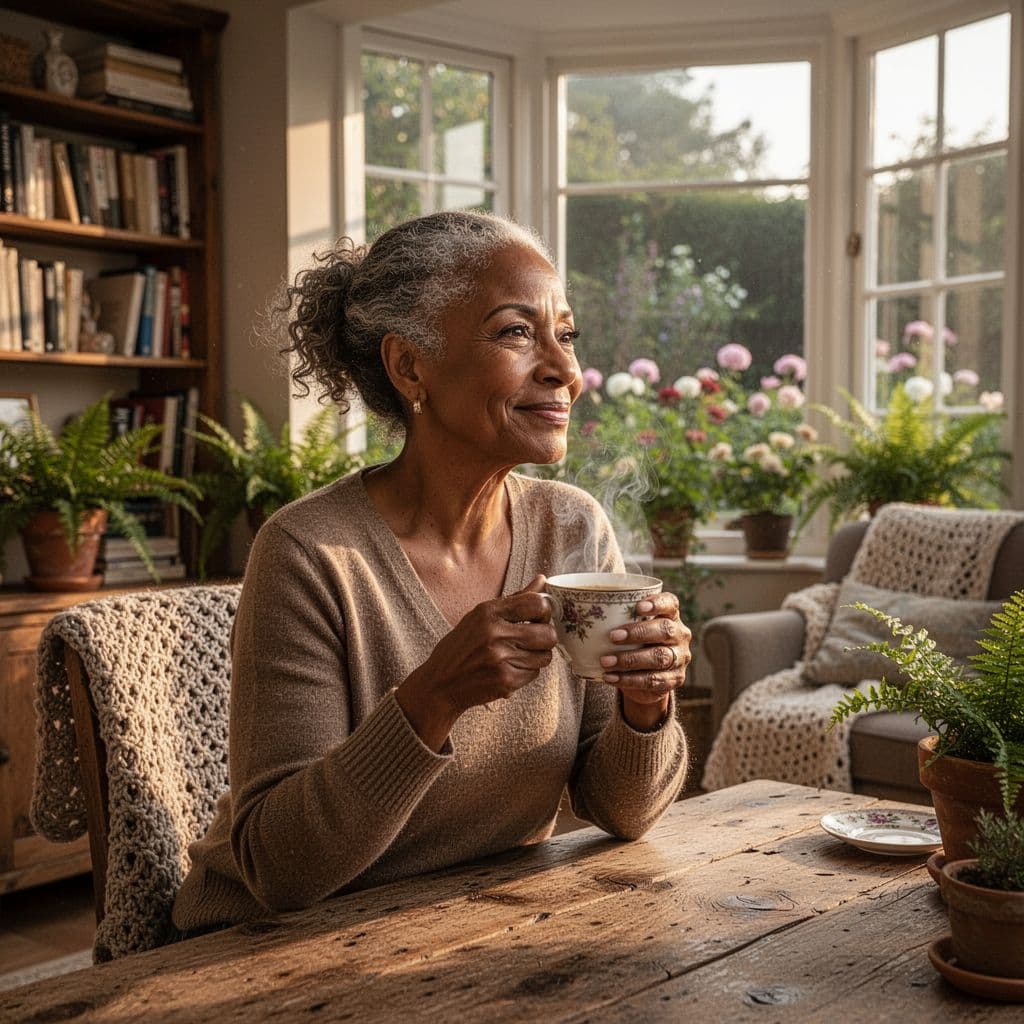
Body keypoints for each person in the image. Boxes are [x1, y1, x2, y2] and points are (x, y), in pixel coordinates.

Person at [172, 211, 691, 932]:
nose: (565, 370)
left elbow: (624, 813)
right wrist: (433, 698)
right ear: (410, 365)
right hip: (260, 949)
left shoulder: (571, 527)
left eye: (565, 335)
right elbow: (278, 868)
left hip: (468, 929)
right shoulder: (310, 553)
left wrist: (646, 704)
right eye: (516, 332)